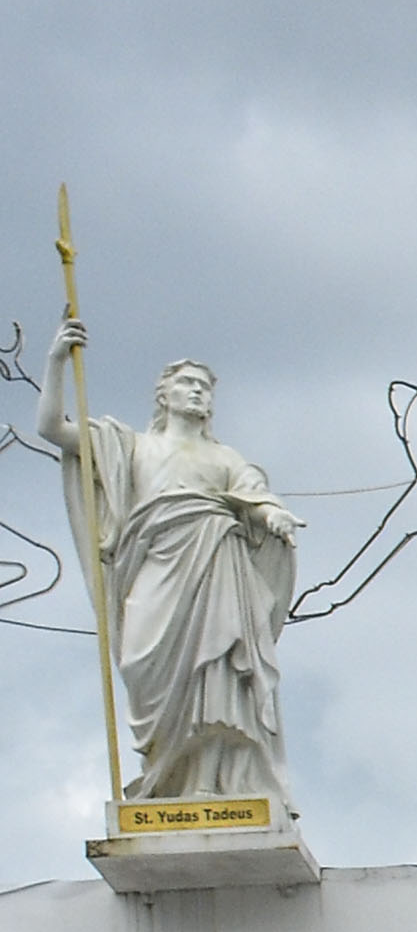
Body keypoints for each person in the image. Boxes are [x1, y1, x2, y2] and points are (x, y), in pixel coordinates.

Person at [36, 326, 298, 806]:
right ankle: (164, 778)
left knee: (217, 670)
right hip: (154, 566)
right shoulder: (129, 446)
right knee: (142, 660)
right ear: (164, 394)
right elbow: (53, 430)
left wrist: (273, 514)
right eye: (188, 383)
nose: (198, 391)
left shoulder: (224, 457)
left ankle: (208, 786)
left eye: (205, 386)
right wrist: (55, 361)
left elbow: (256, 495)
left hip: (217, 561)